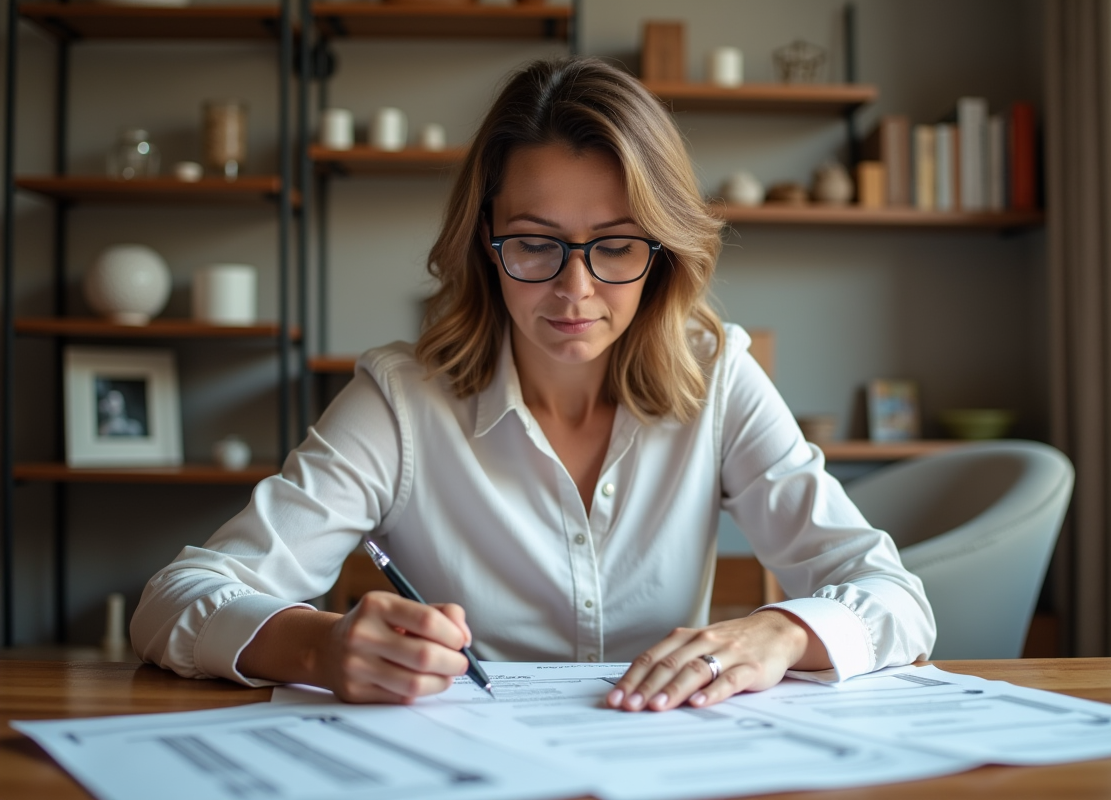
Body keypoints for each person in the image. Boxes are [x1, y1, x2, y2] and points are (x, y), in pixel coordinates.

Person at [131, 57, 934, 712]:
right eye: (535, 243)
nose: (575, 291)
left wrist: (781, 633)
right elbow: (173, 600)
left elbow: (893, 598)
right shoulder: (402, 402)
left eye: (617, 245)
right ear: (486, 242)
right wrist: (316, 643)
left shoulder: (715, 374)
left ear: (664, 251)